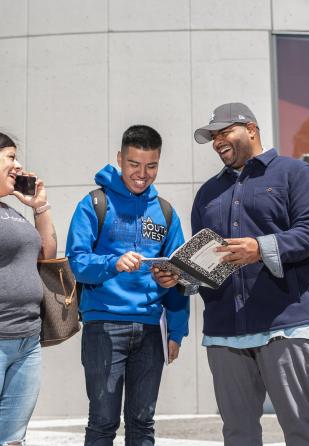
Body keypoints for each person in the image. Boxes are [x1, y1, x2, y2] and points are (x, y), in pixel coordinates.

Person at [191, 103, 309, 446]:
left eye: (225, 132)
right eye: (213, 136)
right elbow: (205, 257)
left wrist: (261, 248)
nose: (217, 141)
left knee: (300, 429)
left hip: (285, 324)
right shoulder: (207, 193)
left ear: (251, 129)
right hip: (225, 332)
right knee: (238, 435)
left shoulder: (295, 173)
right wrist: (182, 279)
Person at [66, 125, 189, 446]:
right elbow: (77, 262)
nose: (142, 174)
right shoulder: (94, 204)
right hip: (103, 326)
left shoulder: (165, 212)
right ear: (120, 159)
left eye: (151, 166)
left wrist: (176, 331)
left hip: (151, 330)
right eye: (134, 164)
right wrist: (112, 263)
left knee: (142, 422)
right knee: (103, 421)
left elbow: (180, 273)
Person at [0, 132, 57, 445]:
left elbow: (47, 256)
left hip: (27, 340)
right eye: (10, 156)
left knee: (12, 438)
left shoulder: (12, 213)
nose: (18, 165)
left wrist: (40, 205)